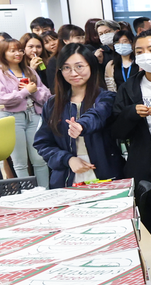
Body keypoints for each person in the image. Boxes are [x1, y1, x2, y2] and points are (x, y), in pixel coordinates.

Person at [86, 29, 151, 236]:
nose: (146, 55)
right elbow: (117, 131)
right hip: (145, 160)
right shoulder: (129, 87)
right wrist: (130, 114)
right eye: (140, 51)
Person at [36, 46, 121, 189]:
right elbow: (43, 143)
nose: (73, 73)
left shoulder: (106, 98)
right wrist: (67, 159)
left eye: (79, 66)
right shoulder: (52, 104)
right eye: (66, 68)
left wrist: (81, 126)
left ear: (92, 66)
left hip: (105, 173)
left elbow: (97, 115)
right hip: (67, 175)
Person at [0, 34, 52, 179]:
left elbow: (46, 95)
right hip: (11, 118)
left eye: (20, 50)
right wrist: (25, 92)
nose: (18, 54)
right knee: (20, 161)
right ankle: (27, 195)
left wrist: (33, 92)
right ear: (2, 53)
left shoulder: (29, 71)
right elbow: (1, 99)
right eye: (12, 51)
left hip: (33, 115)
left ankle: (45, 191)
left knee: (39, 158)